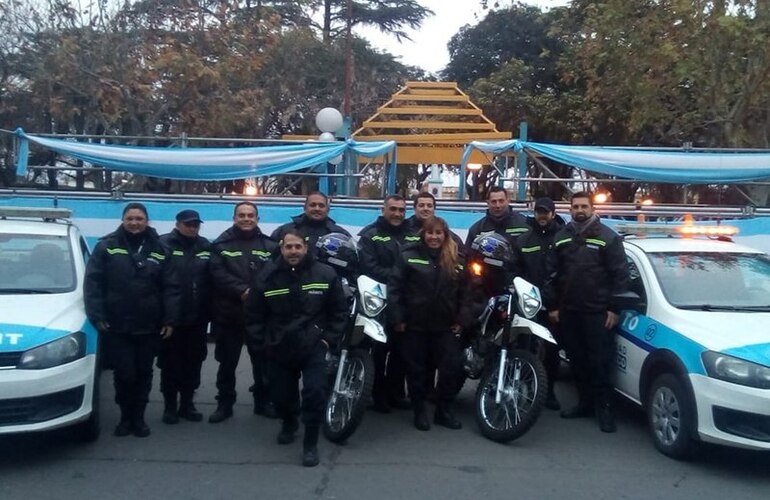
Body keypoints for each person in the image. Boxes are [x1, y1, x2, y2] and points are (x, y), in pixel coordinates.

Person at [244, 230, 348, 467]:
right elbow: (253, 315)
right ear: (281, 248)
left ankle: (310, 443)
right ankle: (289, 422)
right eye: (288, 247)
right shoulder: (266, 278)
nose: (293, 251)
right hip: (278, 347)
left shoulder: (325, 273)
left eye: (297, 247)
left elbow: (338, 312)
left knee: (315, 393)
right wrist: (262, 344)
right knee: (280, 396)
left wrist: (328, 339)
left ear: (305, 248)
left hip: (314, 346)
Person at [84, 203, 180, 438]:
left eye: (139, 218)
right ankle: (125, 417)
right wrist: (97, 316)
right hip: (117, 325)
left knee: (143, 373)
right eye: (130, 218)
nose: (135, 223)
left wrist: (170, 319)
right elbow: (93, 283)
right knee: (124, 373)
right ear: (123, 220)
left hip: (150, 325)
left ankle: (139, 418)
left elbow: (171, 287)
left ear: (147, 221)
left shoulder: (160, 249)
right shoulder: (107, 246)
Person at [543, 191, 630, 433]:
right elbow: (550, 274)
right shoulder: (561, 237)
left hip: (598, 313)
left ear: (592, 208)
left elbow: (620, 276)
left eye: (584, 206)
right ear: (569, 209)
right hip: (569, 312)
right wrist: (552, 307)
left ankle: (604, 410)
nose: (579, 210)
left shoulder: (608, 238)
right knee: (577, 360)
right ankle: (584, 404)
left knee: (600, 362)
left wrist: (614, 308)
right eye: (575, 206)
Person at [389, 216, 466, 431]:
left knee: (451, 369)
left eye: (438, 233)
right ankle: (419, 411)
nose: (434, 237)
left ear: (445, 235)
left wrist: (462, 320)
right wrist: (398, 318)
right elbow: (395, 288)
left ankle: (443, 411)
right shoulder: (408, 256)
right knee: (417, 372)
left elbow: (467, 292)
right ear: (424, 234)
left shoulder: (457, 259)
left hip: (445, 326)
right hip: (414, 325)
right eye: (430, 233)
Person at [209, 201, 278, 423]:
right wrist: (242, 291)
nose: (246, 218)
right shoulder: (221, 244)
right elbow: (217, 274)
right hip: (229, 314)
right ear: (234, 218)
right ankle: (224, 404)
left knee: (263, 363)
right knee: (227, 363)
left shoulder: (270, 246)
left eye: (250, 215)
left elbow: (275, 274)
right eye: (242, 215)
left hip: (260, 317)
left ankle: (263, 402)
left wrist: (256, 294)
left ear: (257, 219)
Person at [358, 195, 412, 412]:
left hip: (406, 303)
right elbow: (368, 267)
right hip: (378, 302)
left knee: (402, 352)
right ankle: (377, 395)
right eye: (393, 209)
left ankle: (397, 393)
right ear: (383, 209)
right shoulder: (370, 235)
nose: (397, 214)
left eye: (401, 210)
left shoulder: (413, 235)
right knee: (379, 352)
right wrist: (400, 276)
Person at [158, 209, 212, 424]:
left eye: (196, 224)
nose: (193, 228)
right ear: (178, 224)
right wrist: (164, 316)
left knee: (194, 362)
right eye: (188, 224)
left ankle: (187, 405)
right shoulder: (163, 245)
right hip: (171, 320)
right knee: (170, 364)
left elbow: (212, 278)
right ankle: (170, 407)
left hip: (197, 318)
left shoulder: (205, 246)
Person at [514, 197, 565, 411]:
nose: (542, 216)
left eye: (546, 212)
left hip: (553, 307)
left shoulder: (562, 238)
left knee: (552, 353)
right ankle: (525, 390)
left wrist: (557, 304)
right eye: (538, 212)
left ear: (553, 214)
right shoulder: (523, 240)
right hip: (527, 305)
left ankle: (548, 392)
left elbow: (566, 272)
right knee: (524, 348)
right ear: (534, 213)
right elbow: (514, 269)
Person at [271, 192, 350, 253]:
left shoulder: (340, 234)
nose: (317, 209)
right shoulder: (284, 231)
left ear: (328, 210)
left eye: (321, 206)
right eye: (312, 205)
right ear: (305, 208)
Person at [464, 186, 529, 253]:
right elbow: (467, 255)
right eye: (494, 201)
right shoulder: (477, 229)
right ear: (488, 203)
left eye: (501, 201)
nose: (498, 205)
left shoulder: (524, 225)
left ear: (508, 201)